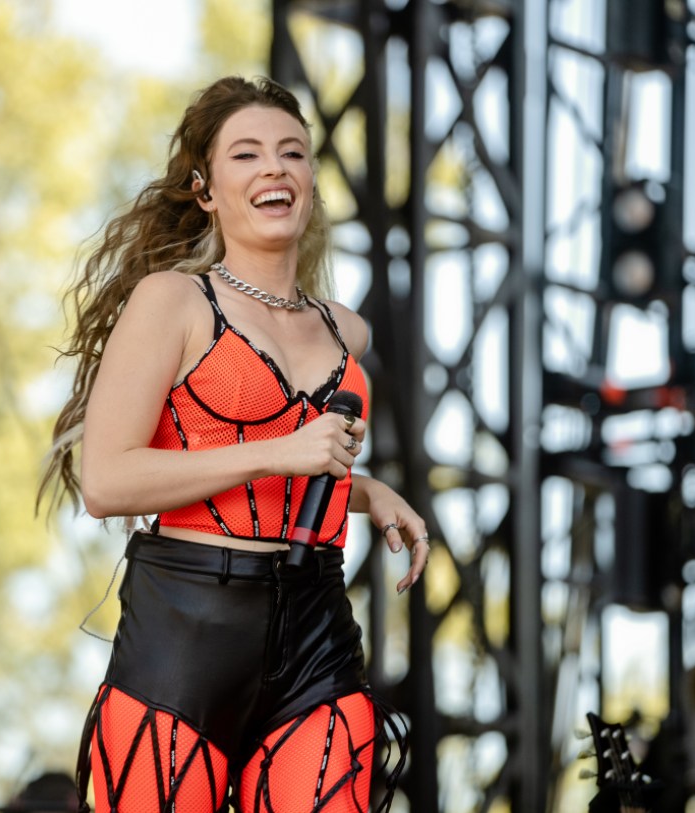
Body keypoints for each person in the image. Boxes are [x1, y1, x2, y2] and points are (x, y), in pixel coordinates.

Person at [38, 75, 431, 813]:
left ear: (312, 178)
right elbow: (107, 482)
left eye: (292, 153)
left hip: (316, 623)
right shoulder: (174, 301)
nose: (274, 168)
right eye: (246, 155)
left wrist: (366, 490)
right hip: (185, 625)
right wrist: (279, 450)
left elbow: (303, 469)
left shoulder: (348, 330)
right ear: (206, 188)